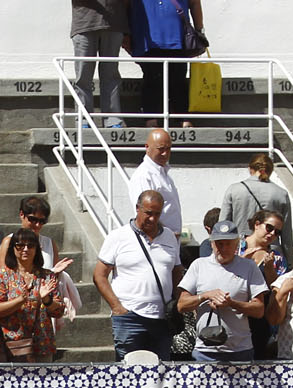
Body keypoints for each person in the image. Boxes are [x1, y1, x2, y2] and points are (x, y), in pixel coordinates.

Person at [95, 189, 180, 357]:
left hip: (162, 319)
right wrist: (117, 307)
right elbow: (99, 275)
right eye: (148, 213)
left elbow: (177, 271)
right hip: (129, 318)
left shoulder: (169, 237)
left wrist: (175, 303)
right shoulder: (118, 236)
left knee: (160, 374)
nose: (153, 219)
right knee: (129, 376)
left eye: (157, 214)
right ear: (137, 208)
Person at [175, 219, 265, 362]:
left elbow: (259, 309)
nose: (223, 248)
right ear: (211, 243)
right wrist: (205, 296)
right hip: (205, 352)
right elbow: (181, 305)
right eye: (219, 243)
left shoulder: (249, 267)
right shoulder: (198, 265)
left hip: (240, 350)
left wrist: (231, 303)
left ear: (236, 244)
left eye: (228, 243)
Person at [0, 228, 65, 362]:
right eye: (20, 245)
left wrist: (46, 300)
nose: (25, 249)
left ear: (37, 249)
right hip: (11, 345)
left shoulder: (47, 276)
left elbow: (59, 311)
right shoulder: (3, 276)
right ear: (13, 248)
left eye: (30, 245)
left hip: (42, 344)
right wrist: (20, 300)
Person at [128, 0, 205, 128]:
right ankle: (150, 118)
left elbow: (195, 3)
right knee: (151, 78)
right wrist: (127, 33)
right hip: (147, 36)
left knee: (179, 77)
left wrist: (199, 30)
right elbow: (126, 4)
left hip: (177, 35)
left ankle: (183, 117)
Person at [69, 0, 129, 126]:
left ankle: (112, 120)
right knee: (83, 76)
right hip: (85, 23)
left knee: (111, 75)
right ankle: (83, 120)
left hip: (115, 23)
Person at [241, 210, 287, 355]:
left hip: (261, 318)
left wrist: (269, 270)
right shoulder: (235, 247)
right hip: (235, 313)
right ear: (257, 224)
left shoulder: (277, 257)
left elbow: (278, 288)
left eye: (277, 232)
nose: (272, 234)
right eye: (269, 228)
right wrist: (242, 262)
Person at [130, 129, 182, 237]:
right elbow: (144, 214)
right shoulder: (143, 176)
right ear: (147, 147)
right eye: (161, 149)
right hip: (156, 241)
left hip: (169, 240)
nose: (165, 153)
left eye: (168, 149)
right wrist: (166, 235)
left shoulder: (164, 174)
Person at [224, 154, 292, 235]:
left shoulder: (234, 189)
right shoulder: (282, 193)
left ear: (250, 169)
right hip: (270, 245)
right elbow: (286, 231)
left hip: (241, 245)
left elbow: (223, 225)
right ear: (271, 170)